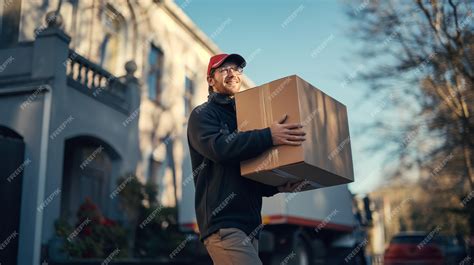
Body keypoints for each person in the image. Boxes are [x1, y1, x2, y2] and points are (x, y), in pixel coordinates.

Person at [187, 53, 307, 264]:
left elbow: (246, 173)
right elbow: (220, 149)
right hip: (224, 223)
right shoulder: (203, 115)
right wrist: (268, 135)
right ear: (210, 80)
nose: (232, 73)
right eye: (224, 69)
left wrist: (278, 187)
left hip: (251, 227)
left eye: (237, 69)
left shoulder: (244, 118)